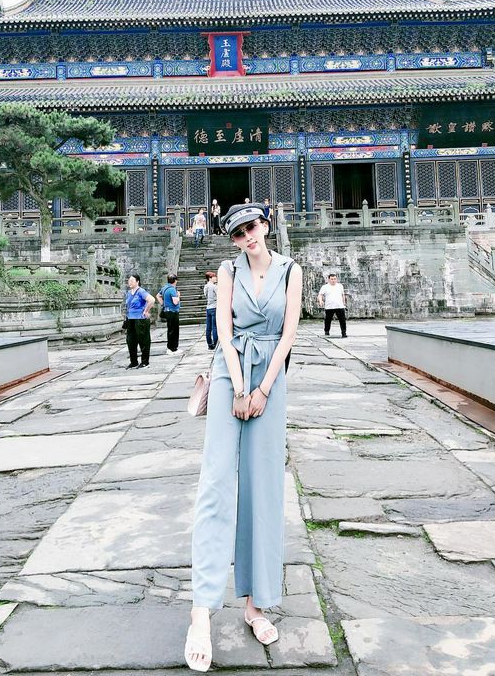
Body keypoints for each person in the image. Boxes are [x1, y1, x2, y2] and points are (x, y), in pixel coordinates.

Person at [185, 202, 303, 671]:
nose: (247, 237)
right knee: (216, 484)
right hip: (229, 371)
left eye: (252, 227)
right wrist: (238, 388)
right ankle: (201, 611)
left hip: (271, 375)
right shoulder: (227, 270)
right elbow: (224, 331)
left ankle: (255, 604)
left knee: (262, 488)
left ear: (265, 226)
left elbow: (289, 333)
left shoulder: (291, 271)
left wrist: (263, 390)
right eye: (237, 233)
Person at [124, 274, 155, 369]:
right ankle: (133, 362)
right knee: (130, 340)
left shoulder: (141, 291)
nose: (130, 282)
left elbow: (152, 300)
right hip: (130, 319)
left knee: (143, 340)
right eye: (129, 280)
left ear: (137, 282)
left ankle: (145, 362)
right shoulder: (128, 293)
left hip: (140, 319)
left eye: (132, 280)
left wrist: (146, 311)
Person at [157, 275, 181, 354]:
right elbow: (175, 302)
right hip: (173, 311)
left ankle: (170, 347)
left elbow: (158, 296)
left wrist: (163, 304)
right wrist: (178, 296)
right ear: (175, 281)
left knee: (170, 330)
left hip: (167, 311)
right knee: (174, 330)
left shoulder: (164, 288)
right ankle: (173, 348)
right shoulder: (172, 289)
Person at [317, 273, 347, 338]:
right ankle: (327, 331)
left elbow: (342, 295)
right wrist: (320, 301)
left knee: (342, 320)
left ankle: (344, 332)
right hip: (329, 306)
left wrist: (344, 303)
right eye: (332, 279)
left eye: (334, 279)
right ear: (329, 279)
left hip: (339, 306)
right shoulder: (325, 287)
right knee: (328, 320)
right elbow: (320, 295)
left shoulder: (340, 286)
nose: (333, 280)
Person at [203, 271, 218, 350]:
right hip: (214, 307)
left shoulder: (206, 286)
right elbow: (219, 295)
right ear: (210, 278)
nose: (216, 278)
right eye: (214, 277)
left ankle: (209, 344)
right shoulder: (214, 286)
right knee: (214, 326)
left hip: (208, 307)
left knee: (208, 327)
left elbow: (205, 295)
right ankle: (215, 343)